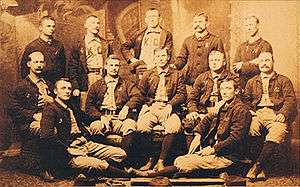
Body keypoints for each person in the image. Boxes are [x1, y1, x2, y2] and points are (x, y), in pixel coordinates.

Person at [129, 78, 251, 178]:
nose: (224, 92)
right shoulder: (223, 105)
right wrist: (197, 135)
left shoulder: (240, 110)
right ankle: (170, 174)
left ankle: (149, 175)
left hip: (231, 157)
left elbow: (236, 138)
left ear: (236, 91)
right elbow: (208, 118)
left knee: (184, 163)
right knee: (180, 160)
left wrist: (213, 149)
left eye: (229, 88)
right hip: (218, 152)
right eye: (222, 88)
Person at [40, 78, 131, 182]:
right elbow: (46, 136)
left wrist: (101, 117)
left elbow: (86, 117)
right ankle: (129, 176)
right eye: (63, 88)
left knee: (120, 154)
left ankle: (88, 170)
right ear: (55, 91)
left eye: (69, 88)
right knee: (100, 164)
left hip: (85, 144)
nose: (67, 91)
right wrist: (67, 149)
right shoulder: (50, 110)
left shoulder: (71, 106)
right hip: (69, 151)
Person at [244, 52, 297, 182]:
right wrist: (250, 111)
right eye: (261, 61)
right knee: (251, 129)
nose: (264, 63)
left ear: (273, 62)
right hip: (257, 113)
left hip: (275, 113)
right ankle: (259, 167)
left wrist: (283, 113)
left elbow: (291, 100)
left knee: (278, 132)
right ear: (258, 64)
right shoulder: (252, 81)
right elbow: (245, 100)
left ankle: (257, 166)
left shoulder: (284, 80)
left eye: (267, 60)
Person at [137, 47, 186, 172]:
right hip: (153, 107)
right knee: (142, 126)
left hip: (169, 107)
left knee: (174, 126)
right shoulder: (148, 74)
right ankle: (150, 159)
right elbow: (140, 93)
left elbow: (181, 94)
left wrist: (170, 105)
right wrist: (146, 105)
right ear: (154, 58)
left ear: (168, 57)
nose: (161, 59)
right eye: (158, 56)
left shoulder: (177, 74)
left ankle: (161, 161)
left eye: (163, 56)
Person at [8, 51, 54, 180]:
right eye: (35, 62)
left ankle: (60, 163)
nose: (39, 65)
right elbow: (13, 109)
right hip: (29, 122)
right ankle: (42, 167)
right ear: (29, 64)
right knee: (46, 129)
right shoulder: (21, 86)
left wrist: (52, 100)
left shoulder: (48, 84)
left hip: (48, 118)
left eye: (41, 62)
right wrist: (33, 115)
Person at [86, 55, 140, 156]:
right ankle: (103, 159)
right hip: (103, 118)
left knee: (130, 125)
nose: (114, 68)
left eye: (116, 65)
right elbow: (89, 107)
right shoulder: (96, 85)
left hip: (119, 118)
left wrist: (126, 107)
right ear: (106, 67)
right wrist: (101, 116)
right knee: (95, 127)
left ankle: (122, 160)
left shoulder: (126, 84)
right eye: (111, 65)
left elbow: (137, 96)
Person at [184, 50, 240, 148]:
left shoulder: (232, 78)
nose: (214, 63)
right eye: (212, 60)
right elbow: (192, 98)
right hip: (203, 111)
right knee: (189, 122)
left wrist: (221, 105)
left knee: (217, 123)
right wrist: (192, 111)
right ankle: (192, 153)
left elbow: (237, 98)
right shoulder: (201, 78)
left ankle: (213, 152)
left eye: (217, 60)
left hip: (224, 112)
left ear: (224, 62)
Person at [68, 15, 113, 109]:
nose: (96, 25)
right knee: (85, 106)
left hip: (102, 77)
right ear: (85, 25)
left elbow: (111, 63)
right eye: (93, 23)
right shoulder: (78, 45)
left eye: (98, 23)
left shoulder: (105, 44)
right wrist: (75, 86)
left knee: (102, 104)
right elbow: (72, 68)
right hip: (86, 78)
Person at [174, 12, 224, 86]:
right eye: (195, 22)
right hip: (191, 81)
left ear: (207, 24)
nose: (197, 24)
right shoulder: (188, 40)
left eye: (200, 22)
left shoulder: (215, 40)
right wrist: (174, 66)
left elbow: (222, 62)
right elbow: (182, 59)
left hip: (209, 81)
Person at [20, 16, 66, 84]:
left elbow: (63, 66)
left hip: (55, 83)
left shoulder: (59, 45)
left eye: (53, 26)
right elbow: (24, 68)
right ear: (40, 27)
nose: (51, 29)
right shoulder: (32, 46)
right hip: (38, 83)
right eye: (48, 26)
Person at [233, 16, 272, 89]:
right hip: (243, 84)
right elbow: (235, 67)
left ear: (258, 26)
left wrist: (242, 65)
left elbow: (263, 66)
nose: (249, 28)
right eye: (246, 25)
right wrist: (253, 62)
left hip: (259, 85)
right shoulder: (241, 46)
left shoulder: (265, 45)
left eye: (251, 25)